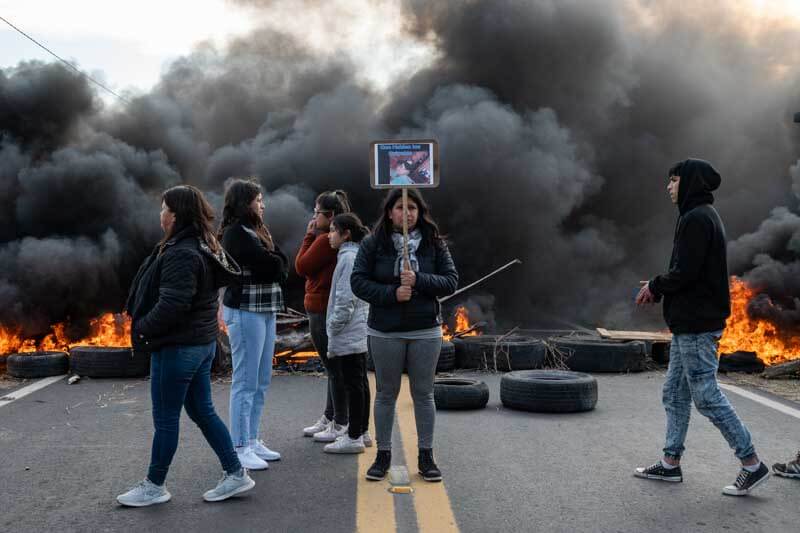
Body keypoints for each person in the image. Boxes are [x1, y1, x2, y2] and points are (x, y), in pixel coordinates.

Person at [634, 159, 769, 496]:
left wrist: (656, 285)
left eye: (673, 180)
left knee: (706, 396)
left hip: (696, 325)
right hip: (688, 325)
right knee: (674, 393)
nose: (668, 187)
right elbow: (685, 272)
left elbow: (685, 273)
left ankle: (751, 464)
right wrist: (660, 286)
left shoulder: (697, 218)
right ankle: (670, 464)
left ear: (689, 182)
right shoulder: (699, 215)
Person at [118, 185, 254, 507]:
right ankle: (236, 473)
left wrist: (141, 329)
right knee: (202, 411)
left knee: (166, 419)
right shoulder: (202, 245)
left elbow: (173, 305)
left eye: (164, 208)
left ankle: (154, 485)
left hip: (178, 348)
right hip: (200, 345)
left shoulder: (181, 252)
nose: (160, 214)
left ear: (175, 215)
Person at [351, 188, 458, 482]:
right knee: (386, 394)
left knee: (423, 394)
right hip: (386, 331)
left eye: (413, 207)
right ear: (389, 212)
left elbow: (451, 280)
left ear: (420, 212)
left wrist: (419, 279)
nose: (407, 213)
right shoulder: (374, 244)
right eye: (400, 207)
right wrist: (391, 293)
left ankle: (426, 456)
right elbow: (358, 281)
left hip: (425, 330)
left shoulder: (434, 244)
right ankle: (383, 455)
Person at [219, 178, 289, 470]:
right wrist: (275, 260)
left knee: (261, 379)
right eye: (258, 200)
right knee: (245, 380)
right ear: (244, 203)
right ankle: (239, 446)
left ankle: (253, 438)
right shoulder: (235, 233)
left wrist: (274, 260)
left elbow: (281, 267)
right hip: (246, 310)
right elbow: (271, 266)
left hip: (265, 308)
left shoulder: (257, 231)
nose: (263, 205)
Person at [297, 190, 352, 443]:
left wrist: (309, 235)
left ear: (329, 216)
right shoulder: (337, 238)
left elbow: (301, 266)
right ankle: (330, 417)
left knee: (334, 368)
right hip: (325, 306)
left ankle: (339, 421)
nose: (313, 217)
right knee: (335, 368)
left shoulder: (323, 241)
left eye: (317, 213)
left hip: (321, 307)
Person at [321, 213, 373, 454]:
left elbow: (345, 300)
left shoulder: (349, 258)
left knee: (354, 383)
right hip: (355, 330)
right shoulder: (351, 255)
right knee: (359, 382)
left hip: (349, 330)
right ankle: (361, 432)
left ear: (346, 234)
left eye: (333, 230)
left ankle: (353, 437)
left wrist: (332, 327)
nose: (329, 235)